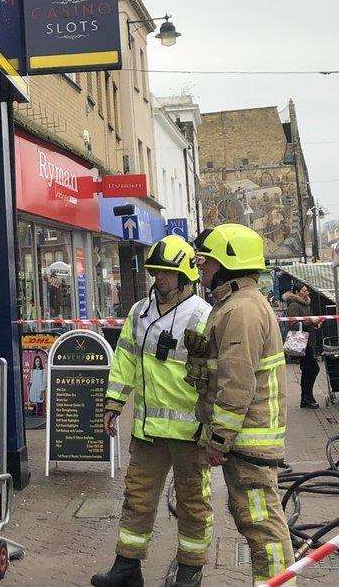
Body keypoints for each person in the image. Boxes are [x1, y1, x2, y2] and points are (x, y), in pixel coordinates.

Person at [91, 235, 212, 587]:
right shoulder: (139, 312)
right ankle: (127, 567)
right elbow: (125, 357)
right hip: (147, 432)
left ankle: (190, 570)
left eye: (168, 273)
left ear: (186, 275)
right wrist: (114, 403)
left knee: (193, 503)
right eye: (157, 272)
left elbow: (215, 375)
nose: (161, 279)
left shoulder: (203, 317)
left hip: (189, 433)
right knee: (137, 498)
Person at [186, 224, 295, 587]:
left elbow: (236, 382)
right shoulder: (238, 304)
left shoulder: (240, 311)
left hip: (247, 440)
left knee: (261, 525)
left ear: (228, 263)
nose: (201, 268)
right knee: (255, 520)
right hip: (248, 439)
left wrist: (219, 439)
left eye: (207, 261)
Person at [282, 283, 321, 409]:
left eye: (307, 290)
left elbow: (306, 321)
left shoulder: (307, 305)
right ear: (298, 292)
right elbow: (293, 324)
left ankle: (307, 397)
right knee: (313, 369)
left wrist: (315, 324)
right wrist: (310, 321)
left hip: (308, 341)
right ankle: (306, 397)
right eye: (304, 290)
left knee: (309, 370)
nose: (307, 292)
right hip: (302, 343)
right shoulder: (294, 305)